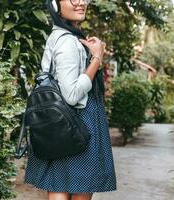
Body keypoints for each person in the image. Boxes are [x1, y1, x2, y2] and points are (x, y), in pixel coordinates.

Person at [24, 0, 117, 200]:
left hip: (58, 124)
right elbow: (72, 95)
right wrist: (97, 59)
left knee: (58, 184)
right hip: (79, 124)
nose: (81, 2)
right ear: (55, 5)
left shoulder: (59, 36)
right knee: (78, 189)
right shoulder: (67, 41)